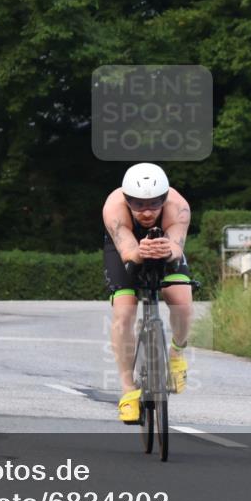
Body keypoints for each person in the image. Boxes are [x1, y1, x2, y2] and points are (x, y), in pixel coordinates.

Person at [102, 163, 193, 423]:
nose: (146, 212)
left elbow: (176, 247)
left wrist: (166, 250)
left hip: (165, 244)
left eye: (154, 204)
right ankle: (128, 391)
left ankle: (176, 353)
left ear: (165, 198)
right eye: (138, 204)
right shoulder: (114, 209)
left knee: (182, 301)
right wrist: (139, 253)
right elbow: (128, 252)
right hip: (125, 247)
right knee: (123, 314)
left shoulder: (179, 207)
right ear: (126, 199)